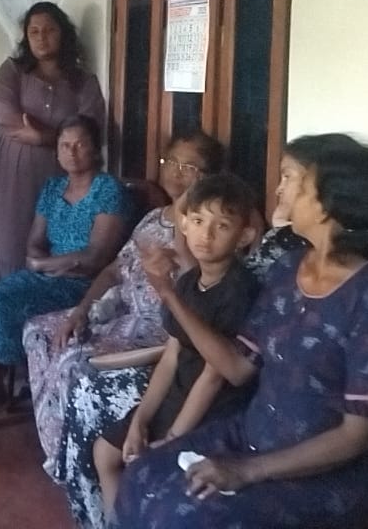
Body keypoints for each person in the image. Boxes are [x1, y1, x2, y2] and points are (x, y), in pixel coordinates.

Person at [114, 134, 368, 528]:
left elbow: (359, 435)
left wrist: (248, 470)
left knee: (180, 515)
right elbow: (238, 367)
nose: (279, 190)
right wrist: (170, 294)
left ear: (330, 204)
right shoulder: (289, 268)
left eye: (296, 183)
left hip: (327, 474)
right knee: (142, 475)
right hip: (255, 435)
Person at [22, 131, 223, 475]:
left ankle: (78, 466)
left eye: (189, 167)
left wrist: (178, 246)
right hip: (118, 312)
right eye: (171, 162)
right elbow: (114, 270)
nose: (177, 172)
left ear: (208, 176)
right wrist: (82, 309)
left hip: (157, 330)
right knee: (39, 331)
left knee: (74, 360)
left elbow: (200, 290)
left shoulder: (205, 229)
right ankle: (56, 445)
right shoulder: (152, 218)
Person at [93, 174, 261, 519]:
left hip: (213, 409)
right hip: (178, 394)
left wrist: (173, 438)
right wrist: (141, 419)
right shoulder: (188, 283)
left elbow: (213, 378)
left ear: (244, 235)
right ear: (183, 224)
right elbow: (171, 357)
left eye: (221, 226)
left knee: (147, 471)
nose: (206, 235)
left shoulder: (239, 290)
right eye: (197, 221)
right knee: (105, 453)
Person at [0, 115, 129, 434]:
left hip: (82, 285)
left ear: (95, 149)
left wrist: (44, 265)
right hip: (46, 276)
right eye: (64, 145)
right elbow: (34, 243)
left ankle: (30, 383)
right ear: (56, 151)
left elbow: (95, 257)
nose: (72, 152)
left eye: (80, 144)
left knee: (5, 305)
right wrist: (47, 263)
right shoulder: (53, 188)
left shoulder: (108, 189)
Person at [0, 2, 105, 283]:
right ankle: (7, 296)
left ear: (63, 33)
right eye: (34, 31)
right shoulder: (13, 71)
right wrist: (61, 134)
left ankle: (50, 298)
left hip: (63, 170)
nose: (42, 38)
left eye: (50, 30)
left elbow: (91, 127)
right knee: (12, 235)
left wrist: (43, 137)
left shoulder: (83, 80)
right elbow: (5, 114)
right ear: (26, 37)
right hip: (14, 172)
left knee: (55, 235)